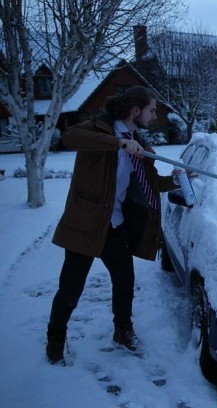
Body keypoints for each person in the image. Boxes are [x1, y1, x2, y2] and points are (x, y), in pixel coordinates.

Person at [46, 86, 178, 364]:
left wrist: (177, 180)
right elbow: (71, 137)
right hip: (86, 223)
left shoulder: (138, 142)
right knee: (71, 287)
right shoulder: (99, 128)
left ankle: (123, 331)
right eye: (152, 110)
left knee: (124, 279)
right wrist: (118, 143)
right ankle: (55, 341)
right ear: (135, 110)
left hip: (115, 224)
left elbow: (150, 182)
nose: (155, 116)